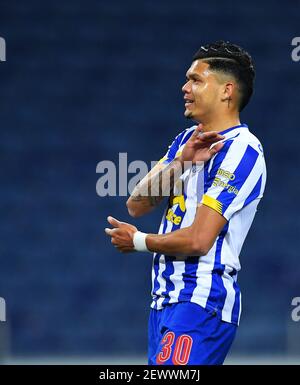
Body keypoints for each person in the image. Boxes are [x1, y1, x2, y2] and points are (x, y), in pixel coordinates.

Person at [105, 40, 266, 365]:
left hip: (201, 299)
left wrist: (138, 241)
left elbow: (199, 240)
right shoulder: (186, 140)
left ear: (226, 91)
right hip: (164, 301)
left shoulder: (242, 151)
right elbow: (137, 204)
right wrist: (182, 162)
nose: (185, 88)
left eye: (196, 80)